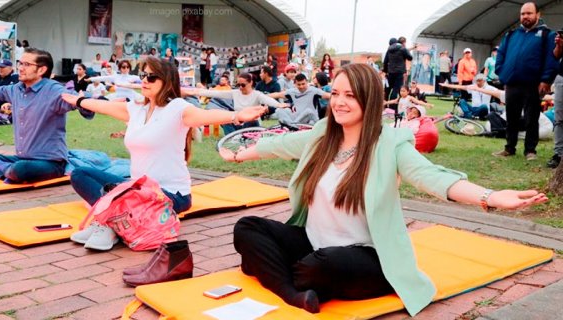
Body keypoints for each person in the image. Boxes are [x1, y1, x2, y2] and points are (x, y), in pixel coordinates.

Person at [218, 63, 547, 315]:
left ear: (369, 99)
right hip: (314, 241)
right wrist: (238, 155)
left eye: (351, 95)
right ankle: (293, 294)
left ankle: (271, 271)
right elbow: (282, 143)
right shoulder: (322, 134)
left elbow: (432, 177)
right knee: (247, 228)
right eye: (336, 93)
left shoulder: (390, 143)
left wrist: (491, 197)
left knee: (318, 267)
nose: (340, 102)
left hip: (365, 255)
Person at [61, 56, 266, 251]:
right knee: (81, 174)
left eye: (151, 77)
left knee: (126, 192)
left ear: (166, 81)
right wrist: (78, 101)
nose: (145, 81)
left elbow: (205, 115)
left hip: (171, 194)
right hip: (138, 189)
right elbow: (103, 105)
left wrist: (237, 115)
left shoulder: (177, 108)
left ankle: (109, 223)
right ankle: (113, 223)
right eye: (143, 75)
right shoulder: (136, 109)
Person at [0, 48, 91, 183]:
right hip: (22, 159)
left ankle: (9, 171)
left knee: (21, 169)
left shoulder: (54, 90)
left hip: (50, 162)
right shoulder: (17, 88)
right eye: (20, 63)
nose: (21, 68)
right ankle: (7, 172)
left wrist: (83, 101)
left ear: (41, 70)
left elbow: (79, 101)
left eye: (27, 65)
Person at [493, 2, 558, 160]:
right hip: (512, 83)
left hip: (533, 85)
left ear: (538, 15)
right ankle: (509, 148)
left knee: (531, 119)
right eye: (523, 14)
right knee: (511, 117)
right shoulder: (511, 35)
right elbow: (500, 54)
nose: (525, 16)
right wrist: (502, 73)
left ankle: (530, 151)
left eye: (529, 13)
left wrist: (545, 80)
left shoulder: (546, 35)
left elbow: (551, 59)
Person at [183, 72, 288, 134]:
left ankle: (243, 137)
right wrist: (196, 91)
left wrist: (279, 105)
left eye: (243, 85)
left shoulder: (257, 94)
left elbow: (267, 100)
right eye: (238, 85)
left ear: (250, 83)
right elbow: (215, 93)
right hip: (238, 122)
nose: (240, 87)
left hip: (251, 124)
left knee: (250, 119)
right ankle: (233, 138)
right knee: (225, 119)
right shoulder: (235, 93)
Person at [547, 32, 563, 168]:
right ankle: (558, 154)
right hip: (561, 79)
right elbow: (556, 55)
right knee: (559, 119)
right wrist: (559, 44)